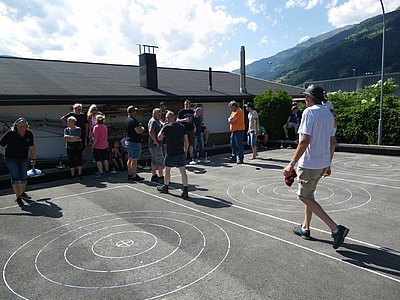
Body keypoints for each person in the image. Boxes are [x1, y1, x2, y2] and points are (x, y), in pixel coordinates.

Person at [283, 85, 349, 249]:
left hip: (310, 164)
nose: (304, 100)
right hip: (322, 164)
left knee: (303, 196)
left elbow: (304, 140)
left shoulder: (309, 112)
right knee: (309, 195)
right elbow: (332, 142)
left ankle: (335, 229)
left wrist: (291, 164)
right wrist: (328, 163)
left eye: (306, 97)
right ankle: (305, 228)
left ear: (311, 98)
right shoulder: (329, 114)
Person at [0, 118, 36, 207]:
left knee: (24, 176)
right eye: (21, 126)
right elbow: (1, 144)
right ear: (16, 126)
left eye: (25, 126)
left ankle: (22, 192)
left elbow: (31, 147)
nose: (23, 128)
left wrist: (34, 159)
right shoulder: (10, 133)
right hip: (11, 158)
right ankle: (18, 197)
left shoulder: (29, 134)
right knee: (15, 176)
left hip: (23, 157)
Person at [157, 111, 189, 199]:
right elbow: (186, 141)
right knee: (183, 171)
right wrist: (185, 151)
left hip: (171, 153)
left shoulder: (167, 127)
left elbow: (159, 137)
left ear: (169, 118)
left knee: (167, 170)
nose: (166, 119)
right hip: (180, 152)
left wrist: (163, 127)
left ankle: (166, 186)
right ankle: (185, 190)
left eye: (167, 118)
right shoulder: (182, 127)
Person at [124, 105, 145, 182]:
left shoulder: (126, 120)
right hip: (134, 142)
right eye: (135, 111)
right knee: (134, 160)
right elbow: (138, 131)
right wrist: (142, 128)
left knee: (130, 158)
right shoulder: (133, 121)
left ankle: (130, 174)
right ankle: (134, 175)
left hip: (128, 141)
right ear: (133, 112)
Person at [148, 108, 164, 183]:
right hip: (155, 145)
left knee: (154, 160)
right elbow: (151, 131)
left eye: (160, 114)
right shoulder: (153, 121)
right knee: (160, 160)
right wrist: (156, 141)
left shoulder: (155, 121)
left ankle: (154, 175)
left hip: (153, 144)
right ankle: (161, 177)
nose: (159, 115)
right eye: (158, 114)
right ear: (154, 113)